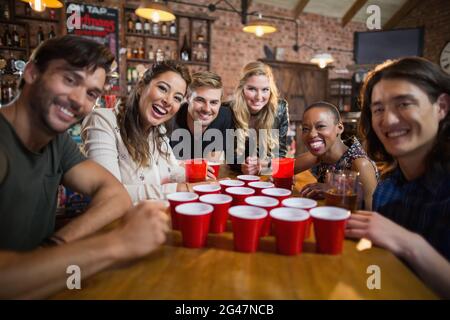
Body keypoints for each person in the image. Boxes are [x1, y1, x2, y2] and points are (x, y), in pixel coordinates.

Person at [0, 35, 168, 299]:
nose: (79, 100)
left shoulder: (56, 141)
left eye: (91, 93)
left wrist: (54, 247)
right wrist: (117, 243)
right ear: (32, 72)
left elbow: (115, 194)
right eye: (69, 80)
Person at [345, 57, 450, 298]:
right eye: (378, 109)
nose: (388, 120)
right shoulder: (387, 188)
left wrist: (409, 244)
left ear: (442, 107)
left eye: (404, 103)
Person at [82, 61, 212, 202]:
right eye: (163, 88)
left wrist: (193, 173)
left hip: (158, 218)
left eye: (177, 98)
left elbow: (169, 169)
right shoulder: (103, 120)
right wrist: (182, 188)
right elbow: (108, 193)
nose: (168, 101)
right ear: (141, 86)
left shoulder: (158, 130)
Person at [296, 101, 379, 210]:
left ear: (339, 128)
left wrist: (332, 189)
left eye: (320, 126)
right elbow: (284, 168)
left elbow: (370, 214)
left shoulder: (360, 164)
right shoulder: (322, 153)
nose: (311, 134)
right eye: (306, 129)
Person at [227, 61, 289, 175]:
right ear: (242, 89)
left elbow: (280, 154)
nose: (259, 97)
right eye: (252, 89)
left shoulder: (280, 109)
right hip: (236, 177)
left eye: (265, 89)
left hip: (267, 176)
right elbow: (228, 154)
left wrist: (266, 164)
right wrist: (241, 165)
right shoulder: (228, 110)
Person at [168, 71, 233, 161]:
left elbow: (210, 166)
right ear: (187, 98)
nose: (207, 109)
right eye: (200, 100)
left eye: (214, 102)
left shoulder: (225, 116)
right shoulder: (171, 117)